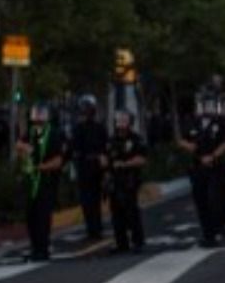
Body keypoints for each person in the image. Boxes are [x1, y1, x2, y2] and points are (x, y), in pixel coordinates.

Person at [178, 98, 225, 248]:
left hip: (216, 166)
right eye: (202, 104)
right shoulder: (190, 121)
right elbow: (182, 141)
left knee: (216, 199)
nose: (204, 108)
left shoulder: (221, 121)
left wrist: (213, 155)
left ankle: (217, 227)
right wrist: (192, 148)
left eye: (208, 104)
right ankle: (208, 235)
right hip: (197, 166)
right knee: (201, 201)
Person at [16, 104, 66, 261]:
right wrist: (24, 148)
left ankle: (43, 249)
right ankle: (34, 247)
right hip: (30, 182)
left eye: (41, 114)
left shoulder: (54, 134)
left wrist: (41, 167)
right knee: (31, 216)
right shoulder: (30, 133)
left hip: (46, 181)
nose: (37, 118)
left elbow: (58, 160)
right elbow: (18, 145)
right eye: (35, 114)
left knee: (43, 217)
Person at [108, 111, 147, 254]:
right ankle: (121, 243)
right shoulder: (112, 140)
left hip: (130, 180)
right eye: (119, 120)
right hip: (114, 181)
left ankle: (138, 242)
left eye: (124, 121)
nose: (121, 123)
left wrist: (124, 164)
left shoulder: (136, 139)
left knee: (131, 211)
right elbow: (106, 158)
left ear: (130, 122)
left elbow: (142, 159)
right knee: (116, 213)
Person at [71, 94, 108, 241]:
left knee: (95, 199)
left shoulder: (100, 128)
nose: (87, 111)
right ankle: (91, 229)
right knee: (87, 201)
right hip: (84, 166)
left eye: (89, 108)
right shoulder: (78, 128)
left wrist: (105, 167)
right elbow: (75, 149)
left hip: (96, 166)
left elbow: (105, 148)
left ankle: (96, 228)